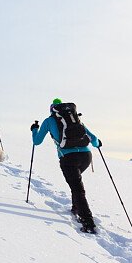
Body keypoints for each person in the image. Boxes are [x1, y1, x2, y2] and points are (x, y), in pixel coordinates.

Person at [31, 98, 102, 234]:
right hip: (86, 156)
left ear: (52, 109)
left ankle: (88, 223)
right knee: (76, 184)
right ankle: (76, 208)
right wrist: (98, 144)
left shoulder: (49, 121)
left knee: (77, 187)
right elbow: (93, 139)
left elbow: (37, 141)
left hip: (68, 158)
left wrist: (34, 130)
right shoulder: (75, 119)